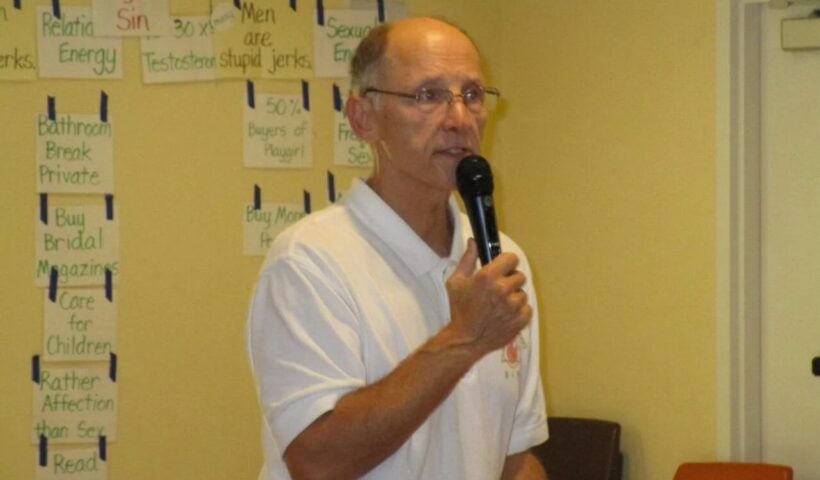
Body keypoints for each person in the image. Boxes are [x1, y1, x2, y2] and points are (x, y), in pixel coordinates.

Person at [247, 16, 549, 480]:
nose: (459, 119)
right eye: (427, 95)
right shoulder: (309, 261)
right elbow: (317, 462)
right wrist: (464, 338)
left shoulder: (502, 260)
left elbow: (513, 457)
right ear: (362, 118)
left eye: (471, 95)